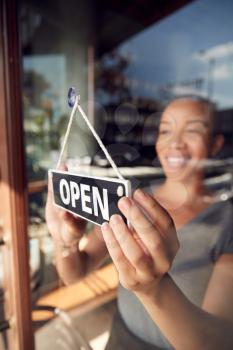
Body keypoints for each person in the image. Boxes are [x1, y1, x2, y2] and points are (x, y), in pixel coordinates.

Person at [46, 96, 233, 350]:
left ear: (215, 144)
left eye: (192, 131)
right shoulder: (129, 201)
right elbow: (75, 272)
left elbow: (218, 343)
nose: (175, 142)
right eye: (165, 130)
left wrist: (153, 288)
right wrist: (65, 242)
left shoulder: (226, 222)